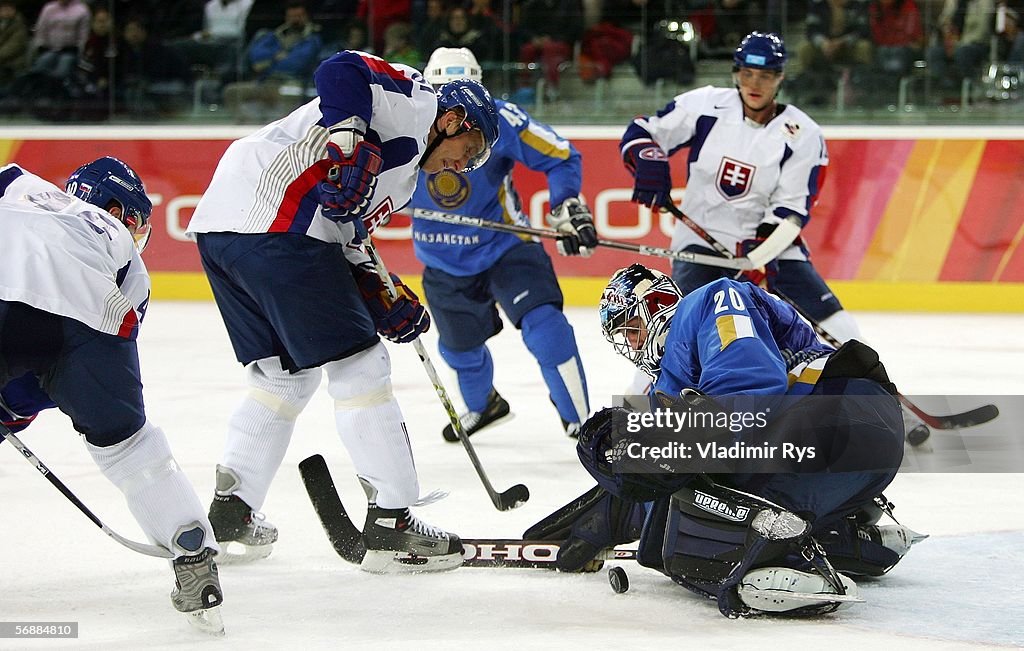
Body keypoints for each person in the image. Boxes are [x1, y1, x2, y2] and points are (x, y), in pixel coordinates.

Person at [186, 50, 500, 573]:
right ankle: (393, 523)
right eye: (470, 150)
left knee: (283, 376)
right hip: (278, 221)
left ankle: (232, 511)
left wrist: (382, 290)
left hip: (226, 230)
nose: (463, 166)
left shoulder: (403, 183)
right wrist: (350, 138)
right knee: (362, 367)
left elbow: (348, 234)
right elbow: (340, 68)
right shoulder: (416, 99)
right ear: (453, 120)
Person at [536, 264, 922, 617]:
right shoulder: (668, 383)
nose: (632, 343)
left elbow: (748, 389)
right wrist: (609, 512)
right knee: (676, 511)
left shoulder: (710, 300)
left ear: (655, 305)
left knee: (692, 547)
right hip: (853, 454)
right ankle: (852, 536)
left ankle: (780, 561)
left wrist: (643, 450)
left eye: (631, 328)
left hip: (835, 418)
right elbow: (676, 470)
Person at [618, 30, 931, 443]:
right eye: (747, 73)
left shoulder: (803, 133)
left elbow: (790, 212)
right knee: (675, 329)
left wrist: (757, 258)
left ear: (780, 78)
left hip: (773, 247)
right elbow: (644, 131)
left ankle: (886, 407)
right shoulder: (706, 104)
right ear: (736, 73)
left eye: (765, 76)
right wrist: (649, 162)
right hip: (702, 245)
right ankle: (633, 416)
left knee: (834, 321)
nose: (755, 84)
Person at [0, 157, 224, 634]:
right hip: (95, 315)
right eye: (136, 219)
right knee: (129, 448)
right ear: (116, 209)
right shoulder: (129, 260)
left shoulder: (18, 182)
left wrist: (9, 409)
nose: (138, 231)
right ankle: (192, 551)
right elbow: (67, 374)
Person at [409, 47, 595, 441]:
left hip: (506, 246)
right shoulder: (404, 122)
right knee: (458, 350)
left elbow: (561, 156)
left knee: (547, 329)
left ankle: (583, 422)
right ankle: (484, 406)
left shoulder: (500, 118)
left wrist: (566, 204)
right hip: (442, 260)